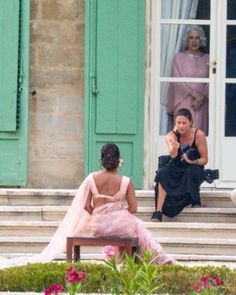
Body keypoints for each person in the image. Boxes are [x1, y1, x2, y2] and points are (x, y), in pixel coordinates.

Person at [0, 143, 176, 269]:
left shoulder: (92, 178)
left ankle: (122, 261)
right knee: (137, 226)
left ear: (102, 160)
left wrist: (99, 213)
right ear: (118, 161)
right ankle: (150, 259)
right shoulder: (126, 181)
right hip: (121, 225)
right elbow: (133, 209)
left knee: (133, 226)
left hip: (99, 226)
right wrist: (117, 212)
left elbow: (86, 205)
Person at [151, 108, 208, 222]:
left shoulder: (199, 135)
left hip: (193, 166)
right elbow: (172, 155)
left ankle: (194, 199)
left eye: (184, 123)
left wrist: (193, 161)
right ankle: (158, 211)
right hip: (177, 166)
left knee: (192, 170)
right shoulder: (171, 135)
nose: (181, 126)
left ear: (191, 122)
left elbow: (204, 159)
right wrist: (174, 147)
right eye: (178, 123)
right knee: (162, 173)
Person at [167, 25, 209, 135]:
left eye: (197, 38)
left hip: (201, 104)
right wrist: (195, 95)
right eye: (191, 38)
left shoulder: (208, 58)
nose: (194, 41)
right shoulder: (178, 58)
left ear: (201, 40)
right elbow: (177, 80)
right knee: (183, 135)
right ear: (186, 40)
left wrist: (202, 97)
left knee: (199, 136)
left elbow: (212, 79)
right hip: (184, 102)